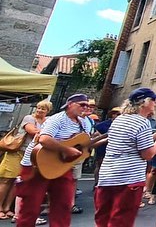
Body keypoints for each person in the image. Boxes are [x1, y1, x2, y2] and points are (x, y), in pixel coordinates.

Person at [95, 88, 156, 227]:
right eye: (153, 100)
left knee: (102, 219)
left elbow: (131, 142)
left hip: (107, 176)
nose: (155, 103)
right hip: (128, 178)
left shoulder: (120, 120)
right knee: (121, 221)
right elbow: (148, 154)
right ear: (144, 103)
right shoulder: (142, 123)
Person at [17, 94, 94, 227]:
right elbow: (44, 139)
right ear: (70, 105)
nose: (86, 108)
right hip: (36, 164)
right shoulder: (57, 119)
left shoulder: (84, 123)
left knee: (63, 204)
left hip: (61, 166)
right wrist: (67, 150)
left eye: (88, 105)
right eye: (82, 104)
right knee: (31, 205)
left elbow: (81, 145)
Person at [0, 101, 50, 221]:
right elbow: (32, 132)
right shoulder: (29, 118)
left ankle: (7, 208)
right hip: (16, 152)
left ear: (48, 111)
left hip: (30, 155)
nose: (39, 110)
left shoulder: (47, 121)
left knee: (17, 182)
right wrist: (48, 133)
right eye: (38, 108)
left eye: (43, 109)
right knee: (7, 179)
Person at [92, 107, 122, 187]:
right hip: (103, 147)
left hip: (115, 148)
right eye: (117, 114)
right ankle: (97, 183)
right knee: (100, 165)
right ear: (113, 115)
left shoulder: (122, 125)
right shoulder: (103, 124)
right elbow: (95, 134)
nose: (119, 116)